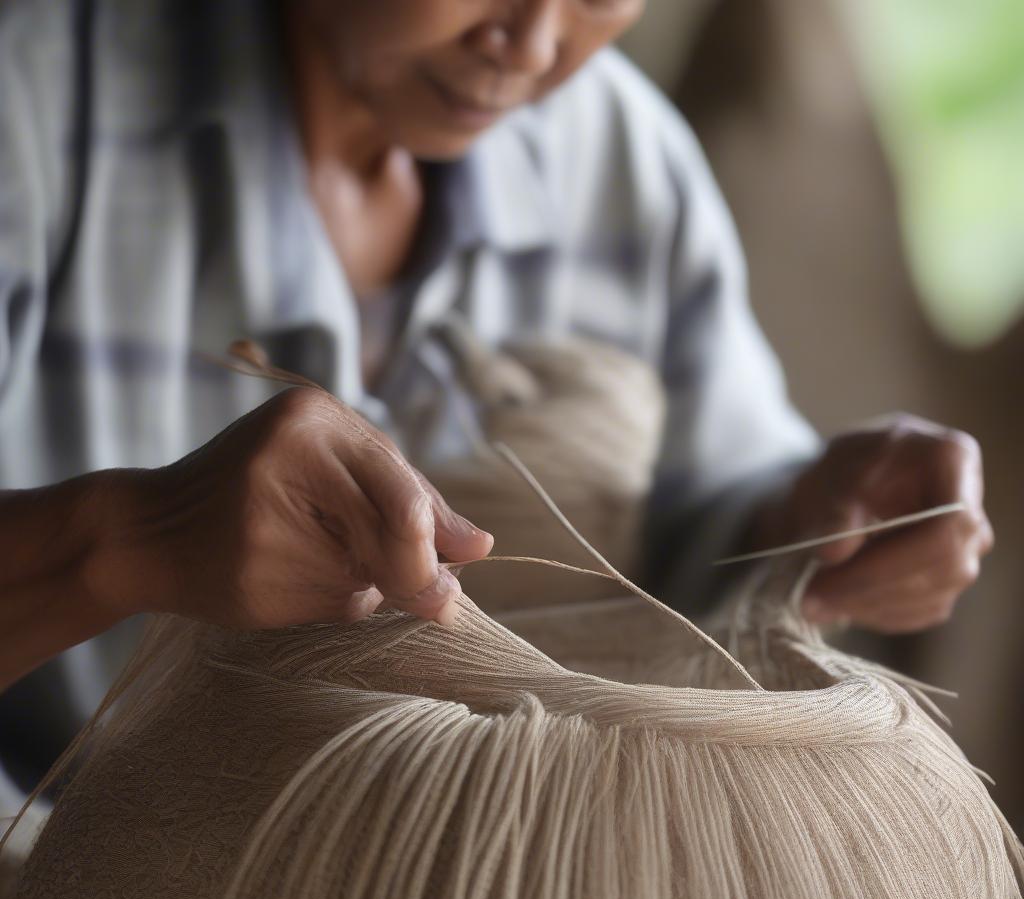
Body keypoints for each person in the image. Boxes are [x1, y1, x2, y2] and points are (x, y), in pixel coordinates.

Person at [0, 0, 992, 801]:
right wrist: (120, 542)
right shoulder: (34, 103)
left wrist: (818, 527)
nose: (530, 42)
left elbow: (719, 515)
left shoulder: (622, 164)